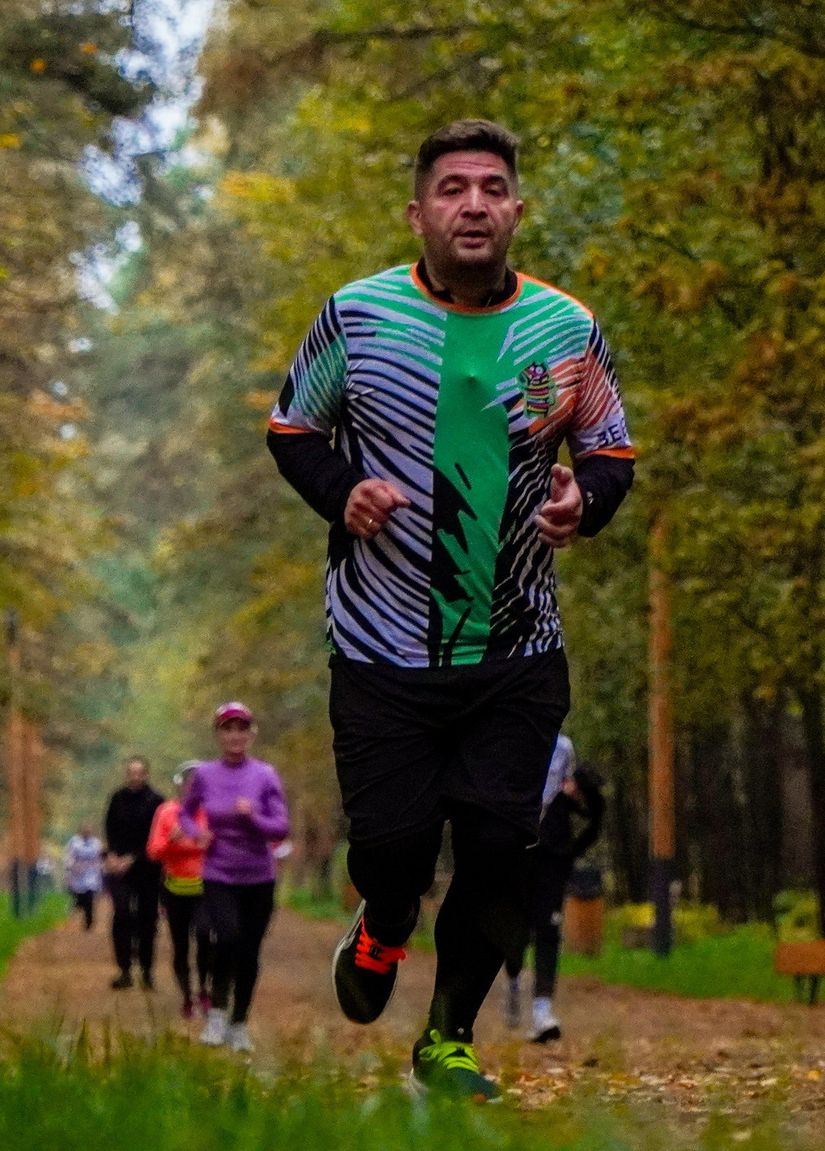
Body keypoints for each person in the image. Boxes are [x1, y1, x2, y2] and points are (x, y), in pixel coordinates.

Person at [267, 118, 634, 1100]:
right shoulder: (356, 316)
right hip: (382, 648)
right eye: (452, 188)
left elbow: (609, 448)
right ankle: (384, 921)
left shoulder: (566, 327)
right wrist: (342, 488)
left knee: (498, 843)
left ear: (516, 208)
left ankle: (448, 1038)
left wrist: (582, 499)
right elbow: (292, 427)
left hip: (517, 644)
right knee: (392, 848)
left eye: (491, 187)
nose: (473, 204)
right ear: (418, 211)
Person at [183, 703, 289, 1052]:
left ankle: (239, 1021)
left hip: (259, 876)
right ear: (218, 734)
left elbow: (281, 827)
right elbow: (185, 813)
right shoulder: (204, 775)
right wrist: (197, 834)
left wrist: (253, 817)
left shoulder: (265, 775)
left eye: (242, 728)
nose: (235, 735)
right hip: (219, 872)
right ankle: (216, 1013)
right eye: (228, 728)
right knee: (226, 937)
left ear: (251, 734)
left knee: (249, 950)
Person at [503, 743, 604, 1042]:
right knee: (516, 928)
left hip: (553, 858)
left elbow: (589, 809)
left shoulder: (563, 748)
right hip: (516, 852)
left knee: (548, 929)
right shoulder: (513, 739)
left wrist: (571, 851)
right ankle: (512, 979)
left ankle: (542, 1011)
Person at [144, 761, 211, 1019]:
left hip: (206, 887)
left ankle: (204, 991)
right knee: (181, 945)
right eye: (188, 782)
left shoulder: (212, 812)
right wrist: (173, 841)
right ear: (179, 785)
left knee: (206, 938)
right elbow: (154, 852)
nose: (192, 787)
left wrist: (196, 842)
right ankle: (186, 997)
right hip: (174, 889)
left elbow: (218, 847)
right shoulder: (166, 812)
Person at [102, 757, 165, 991]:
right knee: (122, 914)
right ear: (126, 774)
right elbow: (109, 829)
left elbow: (158, 836)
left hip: (147, 868)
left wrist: (133, 858)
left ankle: (147, 970)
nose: (135, 776)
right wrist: (111, 855)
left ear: (146, 774)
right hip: (119, 869)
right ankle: (124, 969)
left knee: (147, 919)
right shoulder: (117, 798)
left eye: (139, 772)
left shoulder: (157, 802)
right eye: (131, 772)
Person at [62, 822, 106, 932]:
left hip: (91, 875)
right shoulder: (74, 842)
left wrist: (101, 870)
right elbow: (68, 857)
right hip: (77, 875)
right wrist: (72, 866)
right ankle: (77, 906)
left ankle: (89, 921)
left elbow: (100, 858)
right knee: (80, 898)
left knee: (89, 898)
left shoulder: (96, 843)